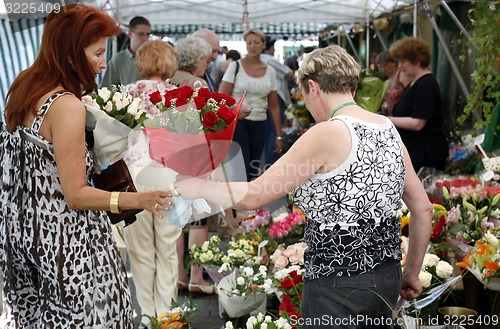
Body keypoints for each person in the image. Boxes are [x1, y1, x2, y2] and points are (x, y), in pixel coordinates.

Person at [175, 45, 432, 328]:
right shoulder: (386, 127)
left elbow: (256, 195)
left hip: (338, 281)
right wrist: (411, 272)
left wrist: (196, 186)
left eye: (305, 96)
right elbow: (422, 207)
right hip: (387, 275)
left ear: (313, 87)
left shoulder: (327, 132)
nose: (307, 105)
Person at [0, 4, 172, 328]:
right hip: (69, 243)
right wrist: (139, 200)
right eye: (97, 53)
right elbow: (76, 195)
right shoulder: (66, 106)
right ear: (70, 54)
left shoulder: (23, 86)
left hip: (25, 232)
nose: (104, 63)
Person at [123, 40, 181, 326]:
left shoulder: (127, 93)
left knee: (140, 251)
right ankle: (168, 316)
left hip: (133, 174)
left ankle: (147, 317)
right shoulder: (178, 96)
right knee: (168, 249)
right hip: (167, 172)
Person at [170, 34, 217, 295]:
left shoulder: (168, 80)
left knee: (177, 218)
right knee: (199, 217)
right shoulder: (198, 84)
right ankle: (196, 277)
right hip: (195, 155)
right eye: (205, 61)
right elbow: (209, 122)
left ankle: (178, 274)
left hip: (169, 156)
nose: (207, 66)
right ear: (197, 61)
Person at [219, 28, 283, 181]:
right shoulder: (235, 66)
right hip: (238, 122)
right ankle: (238, 202)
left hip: (261, 123)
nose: (253, 46)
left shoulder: (271, 71)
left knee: (254, 165)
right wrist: (235, 108)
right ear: (246, 45)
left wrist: (279, 135)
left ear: (263, 45)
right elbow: (221, 97)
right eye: (249, 43)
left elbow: (274, 106)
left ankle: (249, 202)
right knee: (241, 164)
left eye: (256, 42)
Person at [387, 37, 448, 173]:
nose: (400, 66)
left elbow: (418, 123)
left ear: (417, 61)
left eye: (403, 62)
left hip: (425, 154)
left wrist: (387, 120)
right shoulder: (416, 82)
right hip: (417, 151)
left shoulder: (425, 84)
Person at [261, 36, 295, 166]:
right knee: (275, 130)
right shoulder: (270, 60)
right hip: (277, 96)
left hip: (263, 98)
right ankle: (272, 161)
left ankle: (267, 161)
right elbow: (290, 74)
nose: (274, 50)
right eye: (273, 47)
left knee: (269, 130)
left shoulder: (258, 60)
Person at [100, 16, 152, 87]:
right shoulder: (118, 60)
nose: (145, 38)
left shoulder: (155, 58)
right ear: (130, 34)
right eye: (141, 34)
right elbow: (106, 88)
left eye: (148, 34)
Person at [375, 50, 412, 115]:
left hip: (404, 116)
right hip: (393, 116)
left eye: (385, 65)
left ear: (395, 62)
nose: (383, 68)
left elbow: (411, 95)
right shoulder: (387, 81)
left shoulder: (403, 75)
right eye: (380, 66)